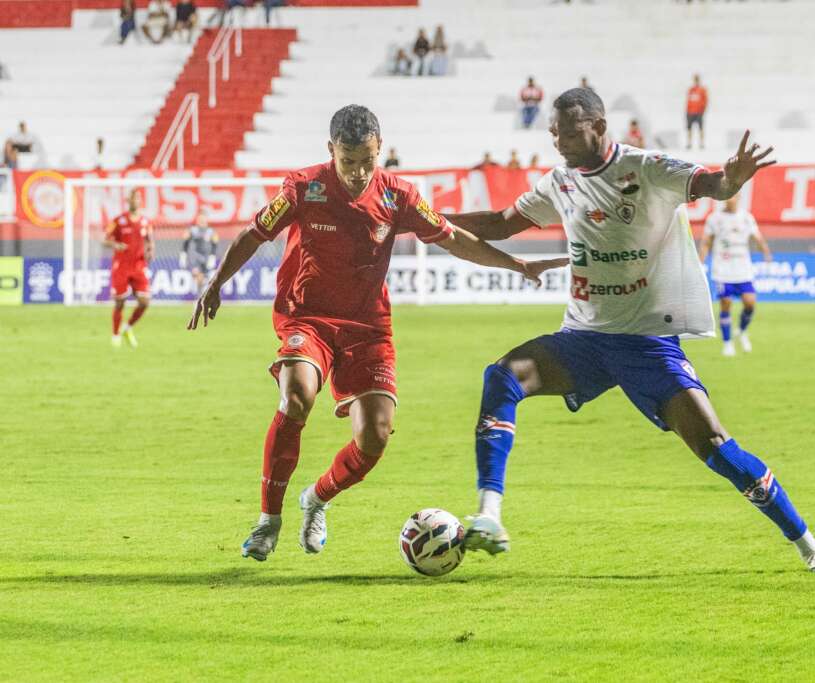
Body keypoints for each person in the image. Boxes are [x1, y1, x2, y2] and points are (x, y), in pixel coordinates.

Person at [442, 88, 815, 575]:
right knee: (503, 376)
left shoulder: (648, 168)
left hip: (647, 344)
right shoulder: (559, 182)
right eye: (553, 132)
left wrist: (730, 181)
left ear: (598, 125)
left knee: (717, 449)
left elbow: (712, 185)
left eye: (568, 132)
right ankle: (489, 516)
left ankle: (809, 544)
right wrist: (425, 219)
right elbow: (500, 223)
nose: (558, 141)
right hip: (583, 339)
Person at [186, 105, 566, 562]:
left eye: (367, 160)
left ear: (379, 149)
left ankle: (317, 499)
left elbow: (453, 238)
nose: (358, 172)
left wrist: (516, 263)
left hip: (368, 327)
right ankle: (269, 520)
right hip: (307, 318)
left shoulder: (399, 195)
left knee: (376, 436)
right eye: (348, 162)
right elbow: (254, 234)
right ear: (331, 152)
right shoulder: (304, 187)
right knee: (296, 398)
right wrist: (216, 282)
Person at [699, 195, 771, 357]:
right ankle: (727, 343)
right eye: (728, 197)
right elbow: (706, 242)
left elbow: (756, 236)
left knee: (750, 303)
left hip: (743, 270)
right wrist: (701, 262)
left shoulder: (746, 217)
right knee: (726, 303)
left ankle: (742, 330)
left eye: (734, 197)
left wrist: (765, 250)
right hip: (723, 270)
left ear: (739, 197)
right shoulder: (715, 218)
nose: (730, 200)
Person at [103, 188, 153, 349]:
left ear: (141, 201)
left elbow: (150, 240)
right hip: (122, 265)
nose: (135, 201)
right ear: (128, 201)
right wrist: (116, 244)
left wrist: (150, 251)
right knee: (120, 302)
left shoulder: (146, 222)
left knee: (145, 302)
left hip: (139, 265)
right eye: (133, 198)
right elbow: (105, 240)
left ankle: (128, 327)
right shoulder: (119, 221)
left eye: (138, 198)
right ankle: (116, 334)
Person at [180, 212, 219, 294]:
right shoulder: (192, 230)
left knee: (203, 276)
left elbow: (215, 243)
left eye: (203, 220)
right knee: (197, 274)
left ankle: (202, 291)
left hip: (206, 257)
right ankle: (200, 293)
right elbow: (185, 241)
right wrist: (183, 254)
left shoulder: (211, 231)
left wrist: (213, 256)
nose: (202, 222)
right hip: (195, 257)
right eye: (200, 220)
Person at [686, 73, 708, 150]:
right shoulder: (691, 90)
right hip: (690, 112)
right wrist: (687, 110)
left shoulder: (702, 90)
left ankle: (701, 143)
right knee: (689, 128)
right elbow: (688, 101)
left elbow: (705, 100)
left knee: (701, 128)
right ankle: (689, 143)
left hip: (699, 112)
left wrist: (702, 110)